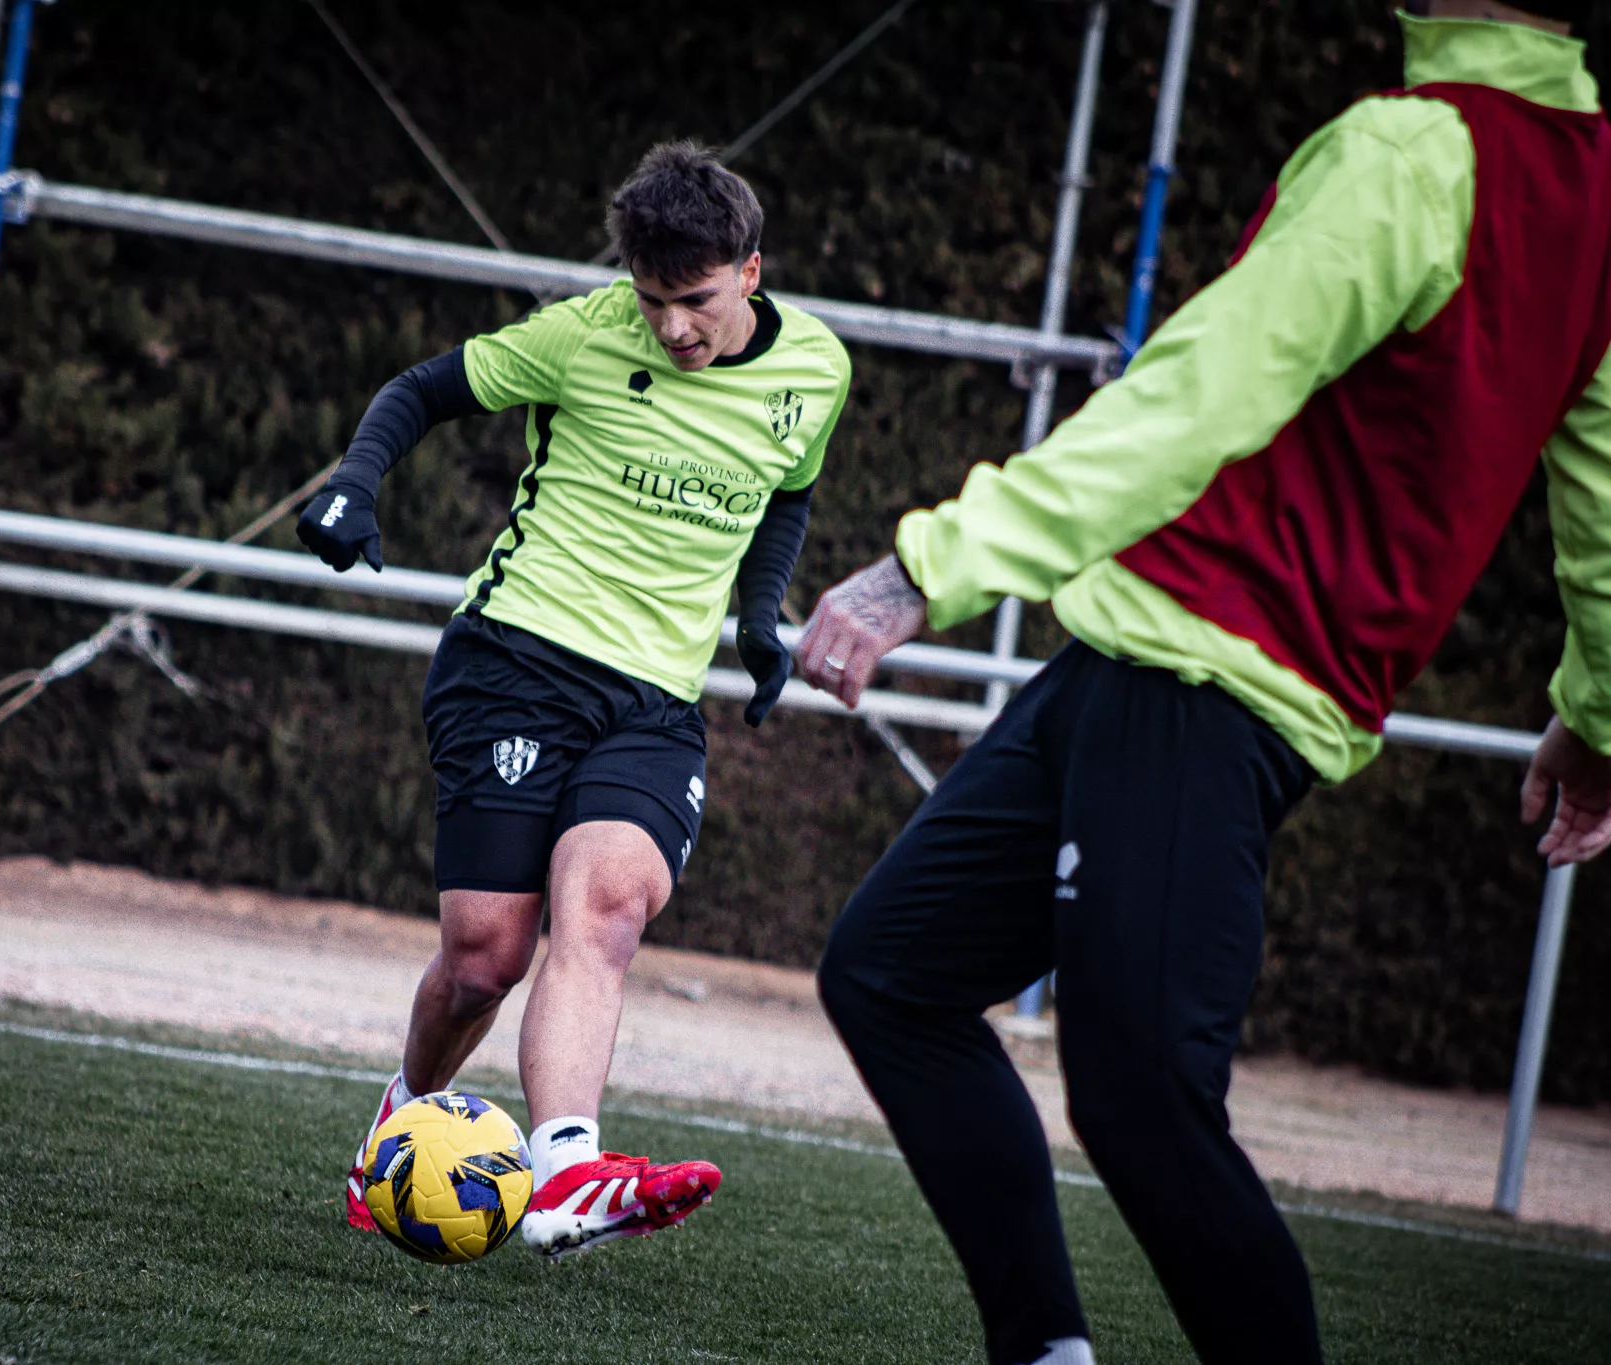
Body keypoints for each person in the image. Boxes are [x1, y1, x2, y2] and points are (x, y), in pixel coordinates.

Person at [794, 3, 1611, 1362]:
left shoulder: (1414, 150)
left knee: (1141, 1099)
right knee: (892, 973)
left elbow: (1200, 391)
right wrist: (1598, 720)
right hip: (1144, 661)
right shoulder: (1595, 191)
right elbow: (1601, 506)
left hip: (1204, 672)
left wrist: (929, 567)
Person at [297, 141, 851, 1256]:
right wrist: (353, 481)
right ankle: (392, 1131)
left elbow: (784, 493)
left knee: (601, 910)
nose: (671, 330)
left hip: (652, 701)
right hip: (515, 660)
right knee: (482, 961)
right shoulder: (584, 333)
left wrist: (759, 617)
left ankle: (563, 1176)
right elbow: (420, 391)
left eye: (692, 302)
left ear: (751, 271)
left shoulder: (818, 372)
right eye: (653, 302)